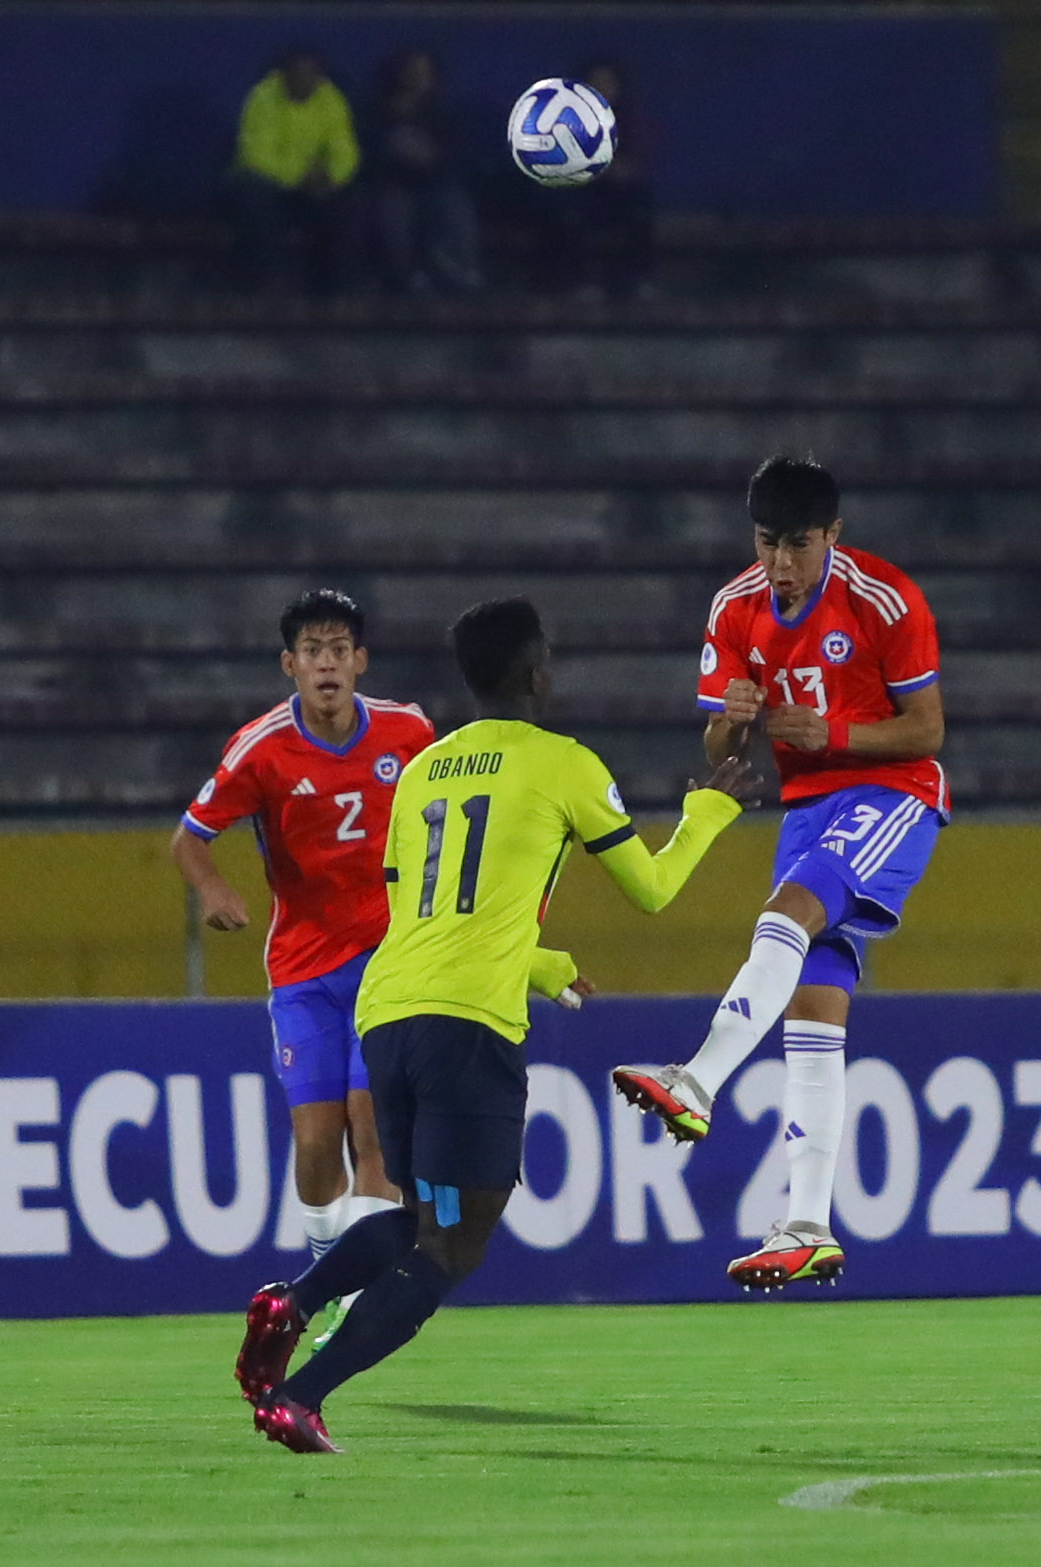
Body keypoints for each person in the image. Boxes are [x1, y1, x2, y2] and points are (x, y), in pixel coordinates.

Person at [235, 597, 754, 1453]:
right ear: (531, 673)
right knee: (455, 1247)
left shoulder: (424, 768)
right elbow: (652, 889)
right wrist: (710, 810)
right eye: (545, 657)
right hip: (466, 1028)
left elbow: (427, 912)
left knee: (418, 1217)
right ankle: (300, 1394)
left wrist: (541, 964)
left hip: (390, 1009)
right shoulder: (563, 763)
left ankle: (288, 1305)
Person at [612, 455, 948, 1291]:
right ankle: (806, 1224)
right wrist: (730, 727)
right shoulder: (734, 608)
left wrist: (833, 734)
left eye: (799, 544)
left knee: (788, 910)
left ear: (832, 534)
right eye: (768, 543)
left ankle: (696, 1078)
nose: (782, 565)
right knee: (813, 1009)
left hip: (890, 791)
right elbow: (718, 747)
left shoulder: (884, 598)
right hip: (806, 809)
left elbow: (927, 730)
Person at [172, 590, 433, 1279]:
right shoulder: (261, 750)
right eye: (313, 652)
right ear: (290, 664)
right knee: (317, 1144)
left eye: (339, 651)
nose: (327, 665)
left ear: (360, 661)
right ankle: (326, 1261)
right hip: (304, 970)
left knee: (371, 1131)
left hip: (388, 961)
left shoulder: (408, 733)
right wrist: (216, 889)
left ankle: (358, 1292)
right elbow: (190, 839)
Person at [224, 47, 364, 292]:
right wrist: (300, 177)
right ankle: (269, 285)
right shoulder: (263, 97)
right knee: (251, 191)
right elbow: (256, 156)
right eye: (296, 74)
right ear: (284, 75)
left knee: (350, 204)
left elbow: (345, 150)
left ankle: (340, 289)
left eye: (310, 75)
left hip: (315, 185)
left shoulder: (331, 98)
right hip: (271, 184)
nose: (303, 80)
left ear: (320, 77)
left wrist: (332, 177)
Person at [366, 49, 483, 295]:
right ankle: (405, 277)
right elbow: (366, 151)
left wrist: (430, 156)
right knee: (393, 208)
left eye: (423, 72)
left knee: (453, 202)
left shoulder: (440, 112)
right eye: (412, 72)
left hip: (433, 182)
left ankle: (461, 271)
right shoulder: (376, 109)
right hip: (390, 183)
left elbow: (454, 154)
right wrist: (395, 152)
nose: (417, 78)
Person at [545, 59, 655, 299]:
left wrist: (615, 170)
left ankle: (634, 281)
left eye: (607, 83)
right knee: (568, 213)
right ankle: (582, 281)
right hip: (580, 192)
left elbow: (632, 163)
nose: (602, 90)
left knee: (640, 209)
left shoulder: (628, 120)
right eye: (595, 84)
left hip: (618, 194)